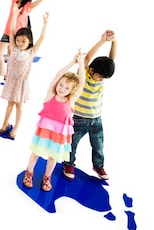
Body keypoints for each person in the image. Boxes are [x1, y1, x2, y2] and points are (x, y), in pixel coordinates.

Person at [23, 50, 85, 191]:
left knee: (52, 157)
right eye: (61, 85)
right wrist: (72, 62)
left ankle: (47, 178)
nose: (62, 89)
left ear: (71, 91)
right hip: (45, 131)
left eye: (67, 87)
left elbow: (81, 84)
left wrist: (81, 64)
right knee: (36, 153)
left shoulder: (71, 100)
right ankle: (29, 173)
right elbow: (58, 75)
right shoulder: (50, 94)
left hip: (59, 134)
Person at [63, 30, 117, 181]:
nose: (101, 80)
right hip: (79, 118)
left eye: (104, 78)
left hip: (96, 119)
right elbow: (86, 59)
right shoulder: (84, 74)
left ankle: (98, 165)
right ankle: (68, 163)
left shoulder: (101, 77)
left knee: (98, 146)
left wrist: (113, 41)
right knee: (72, 143)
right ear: (91, 70)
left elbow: (111, 60)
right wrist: (102, 41)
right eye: (100, 76)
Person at [0, 6, 49, 140]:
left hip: (21, 83)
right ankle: (5, 122)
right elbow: (12, 30)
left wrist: (45, 23)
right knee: (9, 103)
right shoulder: (13, 47)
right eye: (18, 40)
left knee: (19, 105)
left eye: (23, 41)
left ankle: (16, 127)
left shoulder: (31, 52)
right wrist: (14, 14)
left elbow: (42, 37)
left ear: (29, 41)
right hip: (11, 81)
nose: (20, 43)